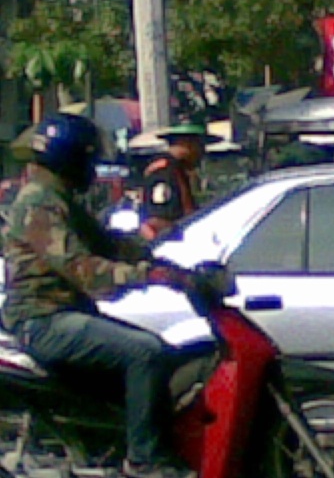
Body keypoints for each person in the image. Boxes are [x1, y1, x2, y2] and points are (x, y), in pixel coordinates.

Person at [0, 113, 191, 478]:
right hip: (42, 320)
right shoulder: (39, 203)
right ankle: (144, 461)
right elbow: (83, 269)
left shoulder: (58, 197)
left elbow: (108, 245)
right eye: (88, 160)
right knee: (144, 353)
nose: (93, 169)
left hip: (61, 313)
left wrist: (159, 255)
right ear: (70, 159)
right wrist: (147, 275)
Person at [139, 122, 220, 241]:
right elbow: (159, 218)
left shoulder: (179, 170)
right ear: (187, 144)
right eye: (200, 146)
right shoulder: (164, 172)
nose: (202, 152)